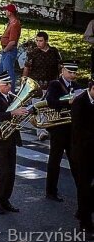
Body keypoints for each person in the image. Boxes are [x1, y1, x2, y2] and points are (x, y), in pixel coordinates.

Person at [0, 72, 26, 214]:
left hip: (10, 140)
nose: (10, 86)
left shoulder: (11, 97)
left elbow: (16, 115)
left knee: (11, 173)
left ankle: (5, 200)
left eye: (10, 83)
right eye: (6, 84)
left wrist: (24, 112)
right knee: (2, 173)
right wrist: (12, 113)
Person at [44, 62, 80, 202]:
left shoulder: (76, 87)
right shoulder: (55, 84)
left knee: (76, 161)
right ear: (63, 70)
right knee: (55, 160)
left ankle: (82, 191)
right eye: (70, 72)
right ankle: (51, 191)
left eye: (74, 73)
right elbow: (51, 102)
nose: (72, 75)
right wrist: (67, 102)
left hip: (71, 129)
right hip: (58, 129)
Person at [71, 80, 94, 236]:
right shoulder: (80, 102)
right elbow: (78, 129)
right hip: (83, 152)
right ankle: (85, 225)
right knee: (84, 187)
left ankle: (83, 210)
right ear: (91, 88)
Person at [0, 4, 22, 91]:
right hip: (6, 50)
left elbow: (12, 42)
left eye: (6, 10)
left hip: (9, 51)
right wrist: (2, 37)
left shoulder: (14, 24)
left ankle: (10, 92)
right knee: (1, 71)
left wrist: (4, 51)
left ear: (10, 12)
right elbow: (9, 36)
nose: (5, 12)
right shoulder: (11, 23)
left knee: (8, 73)